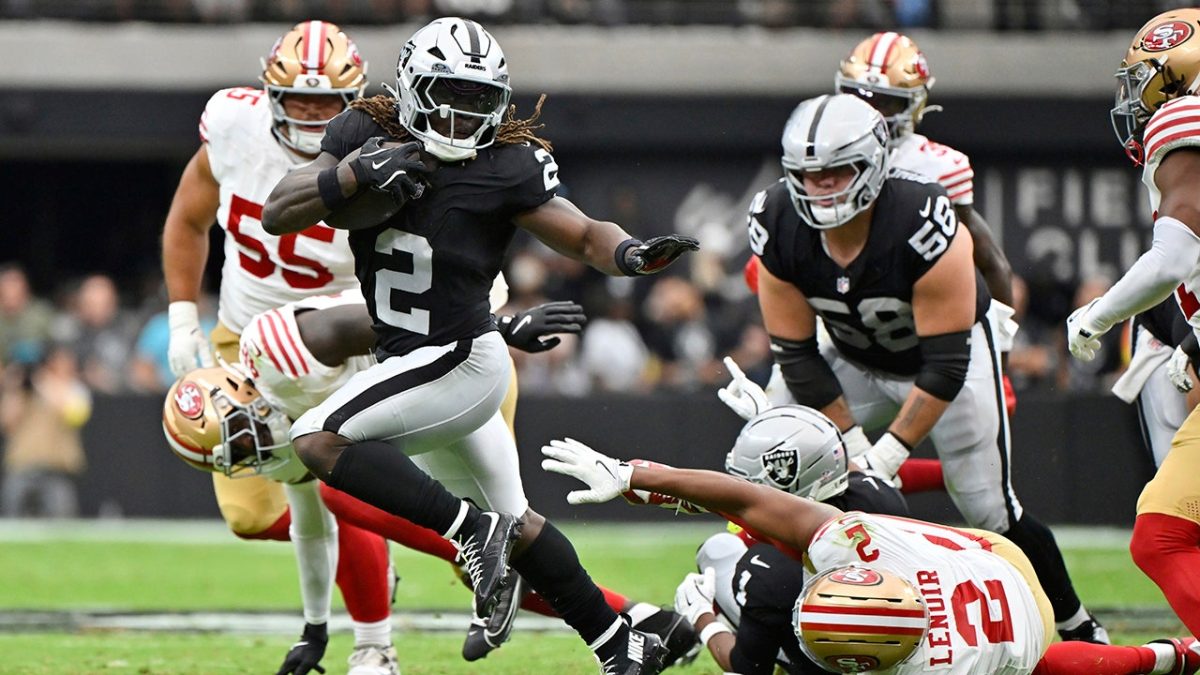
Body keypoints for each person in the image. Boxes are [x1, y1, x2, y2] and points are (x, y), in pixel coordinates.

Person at [260, 18, 698, 673]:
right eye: (448, 93)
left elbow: (580, 234)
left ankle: (471, 532)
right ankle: (621, 641)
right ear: (411, 86)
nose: (462, 116)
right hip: (418, 359)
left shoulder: (506, 165)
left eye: (477, 99)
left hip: (458, 357)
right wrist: (348, 178)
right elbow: (278, 211)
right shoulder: (363, 132)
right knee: (519, 524)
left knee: (318, 440)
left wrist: (630, 253)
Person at [747, 93, 1103, 643]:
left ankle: (1078, 626)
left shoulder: (920, 217)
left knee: (990, 511)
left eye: (836, 172)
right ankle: (776, 614)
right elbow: (795, 352)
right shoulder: (776, 220)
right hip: (849, 357)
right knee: (781, 468)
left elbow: (944, 363)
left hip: (945, 358)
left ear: (872, 165)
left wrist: (886, 454)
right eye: (807, 174)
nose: (821, 188)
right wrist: (851, 441)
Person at [157, 21, 399, 675]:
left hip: (337, 342)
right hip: (247, 331)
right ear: (270, 95)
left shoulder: (389, 155)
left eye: (329, 105)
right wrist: (184, 316)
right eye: (301, 102)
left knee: (335, 485)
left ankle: (374, 640)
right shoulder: (234, 127)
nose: (316, 118)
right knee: (247, 510)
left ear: (356, 103)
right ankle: (374, 551)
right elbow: (188, 216)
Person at [540, 437, 1200, 675]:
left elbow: (749, 665)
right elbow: (751, 499)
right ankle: (1173, 656)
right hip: (990, 568)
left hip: (995, 600)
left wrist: (710, 620)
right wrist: (638, 478)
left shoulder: (857, 537)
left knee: (750, 579)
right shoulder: (864, 527)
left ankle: (1170, 657)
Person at [1066, 7, 1200, 640]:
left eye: (1145, 78)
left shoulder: (1181, 118)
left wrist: (1094, 317)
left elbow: (1173, 258)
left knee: (1163, 537)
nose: (1134, 94)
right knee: (1163, 533)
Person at [675, 378, 910, 674]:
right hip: (905, 649)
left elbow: (746, 668)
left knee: (718, 551)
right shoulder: (880, 495)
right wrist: (772, 424)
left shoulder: (769, 570)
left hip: (830, 661)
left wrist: (702, 618)